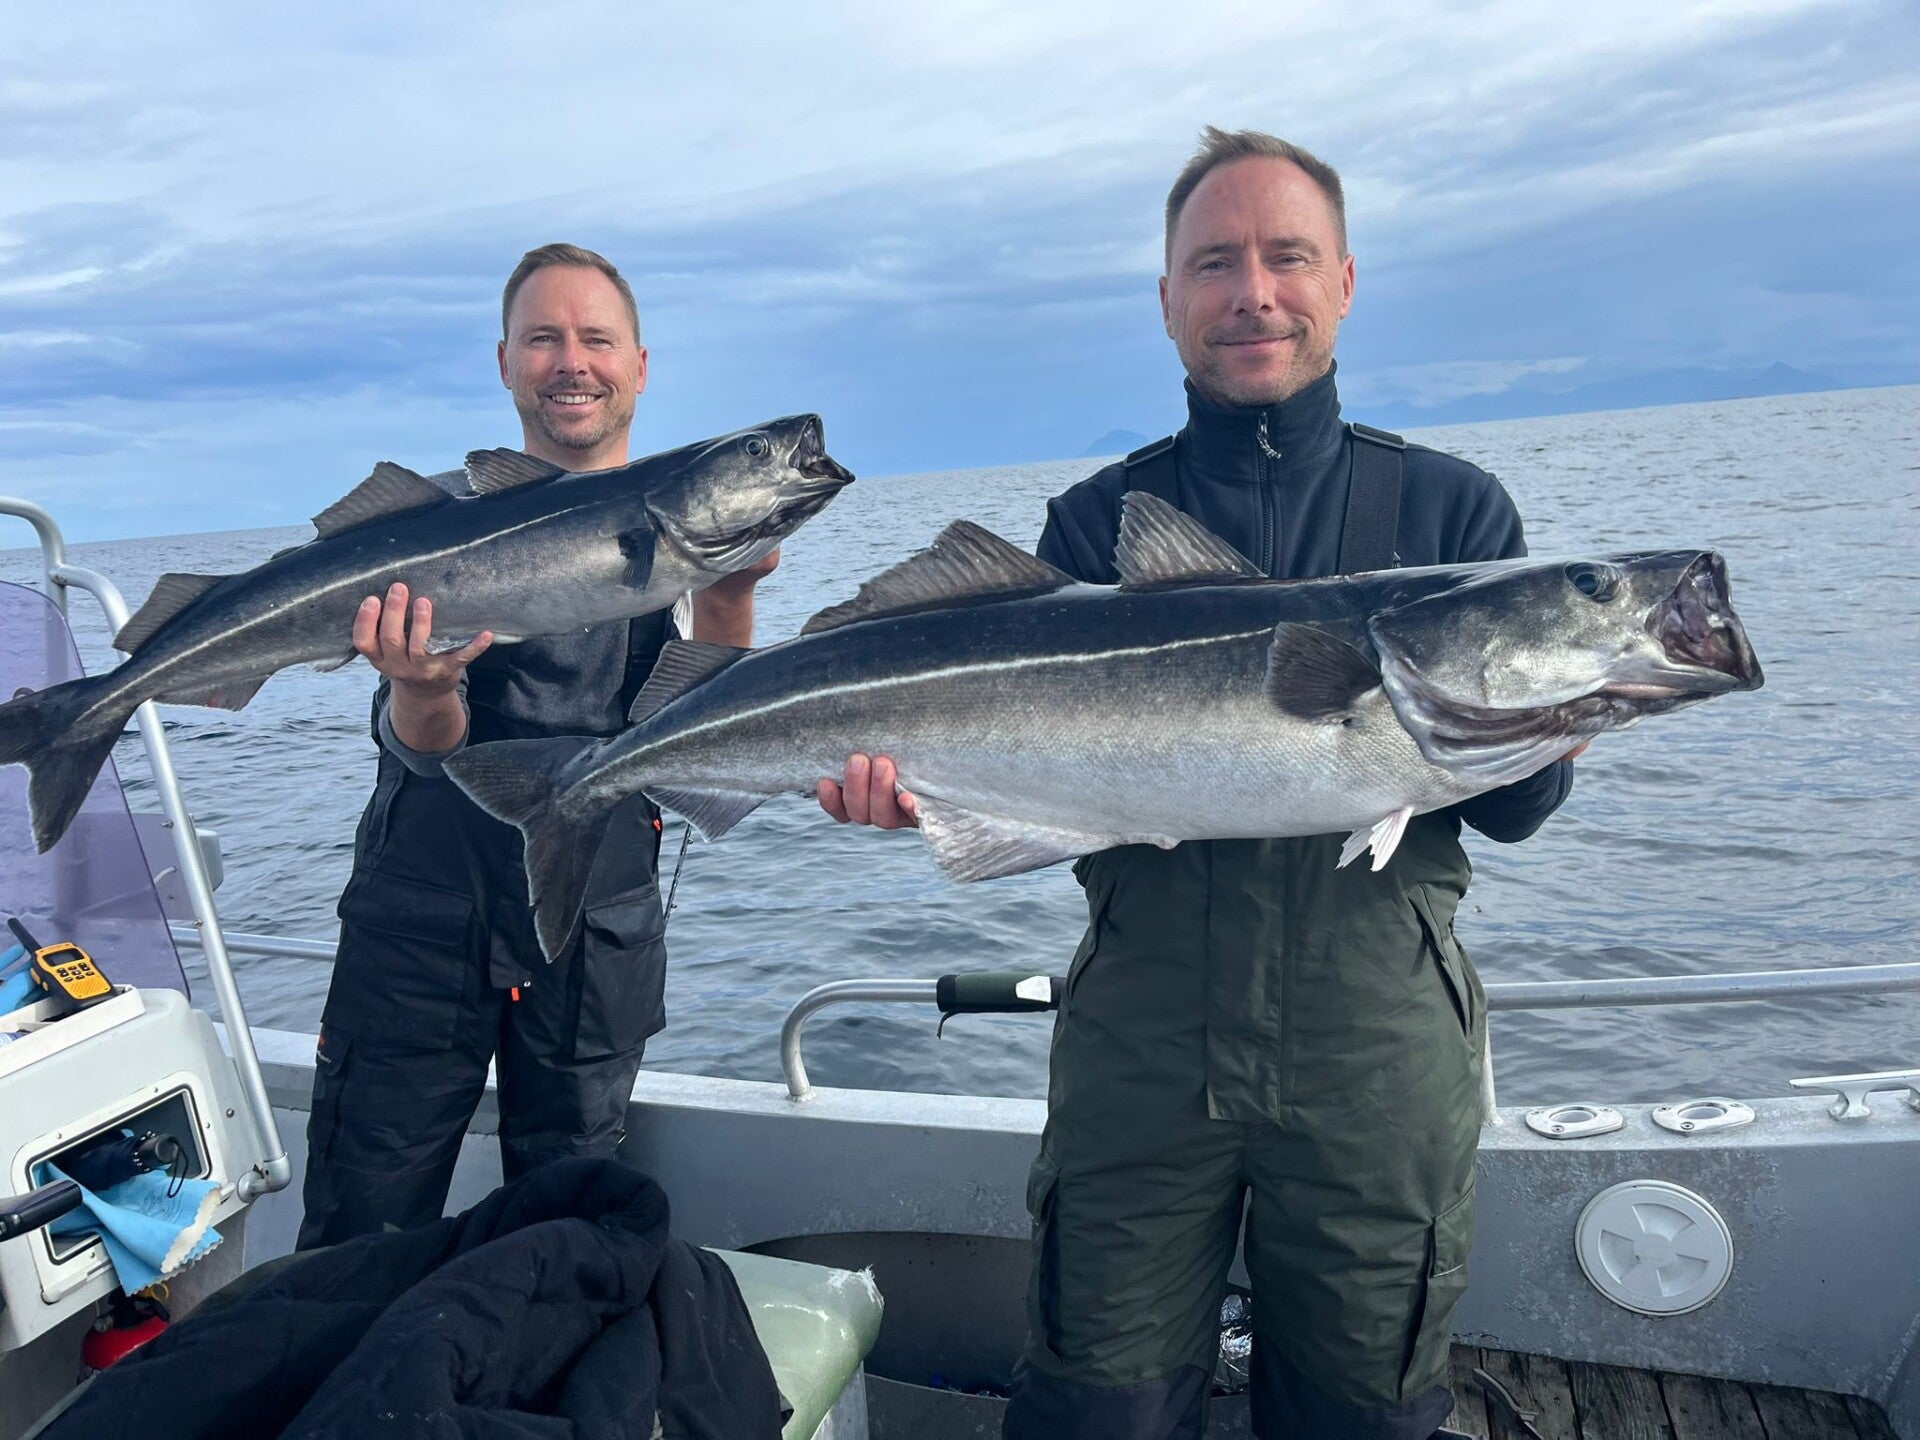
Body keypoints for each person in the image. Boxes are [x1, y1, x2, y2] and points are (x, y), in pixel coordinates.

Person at [820, 130, 1581, 1440]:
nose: (1254, 294)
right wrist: (915, 790)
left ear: (1345, 280)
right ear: (1167, 299)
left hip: (1376, 1051)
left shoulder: (1454, 517)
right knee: (1095, 1407)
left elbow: (1513, 815)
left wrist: (1553, 724)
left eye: (1289, 257)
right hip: (1142, 1046)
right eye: (1215, 263)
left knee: (1362, 1413)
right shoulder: (1095, 526)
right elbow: (1022, 773)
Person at [298, 243, 774, 1249]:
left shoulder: (683, 526)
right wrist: (420, 684)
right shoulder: (435, 525)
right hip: (421, 917)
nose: (572, 362)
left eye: (596, 339)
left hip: (595, 922)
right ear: (505, 362)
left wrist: (728, 595)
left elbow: (702, 742)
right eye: (544, 338)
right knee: (357, 1231)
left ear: (639, 365)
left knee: (569, 1236)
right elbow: (425, 746)